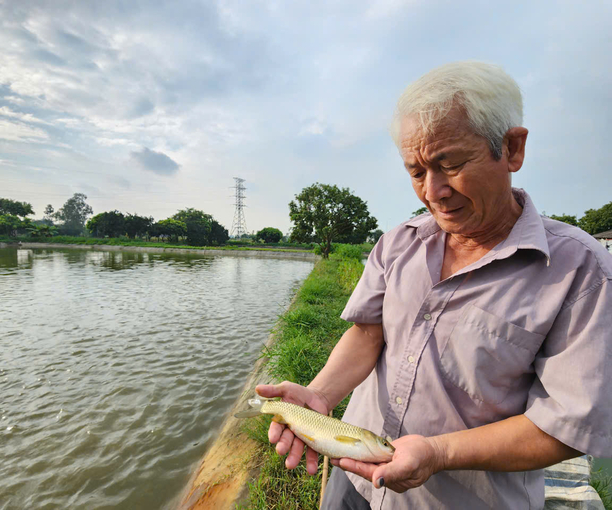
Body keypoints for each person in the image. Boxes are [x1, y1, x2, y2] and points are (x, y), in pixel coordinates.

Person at [257, 61, 612, 509]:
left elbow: (566, 428)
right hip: (355, 482)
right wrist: (320, 395)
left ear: (512, 148)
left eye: (451, 164)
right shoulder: (398, 244)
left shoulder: (581, 273)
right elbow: (368, 332)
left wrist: (438, 453)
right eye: (417, 171)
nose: (434, 191)